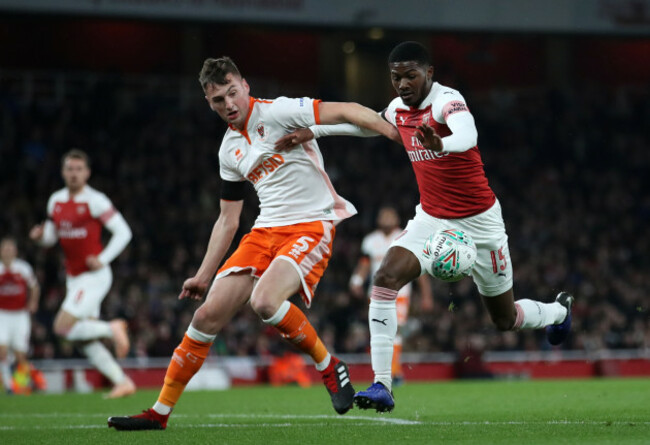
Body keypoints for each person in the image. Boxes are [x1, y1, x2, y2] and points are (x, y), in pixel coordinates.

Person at [275, 41, 574, 413]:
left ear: (429, 73)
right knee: (384, 276)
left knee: (504, 318)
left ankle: (558, 312)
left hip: (481, 224)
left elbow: (468, 134)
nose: (402, 83)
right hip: (432, 218)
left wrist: (443, 143)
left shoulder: (448, 101)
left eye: (410, 75)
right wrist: (315, 133)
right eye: (395, 76)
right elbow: (370, 126)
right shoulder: (399, 109)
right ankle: (383, 383)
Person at [107, 56, 398, 431]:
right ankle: (159, 413)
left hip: (310, 225)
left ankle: (328, 365)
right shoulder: (228, 151)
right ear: (208, 103)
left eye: (232, 93)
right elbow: (228, 219)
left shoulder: (279, 111)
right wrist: (202, 275)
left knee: (264, 301)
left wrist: (395, 134)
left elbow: (348, 110)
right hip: (264, 232)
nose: (228, 105)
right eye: (217, 100)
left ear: (245, 85)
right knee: (205, 316)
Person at [29, 149, 135, 398]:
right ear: (63, 172)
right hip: (74, 277)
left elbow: (124, 232)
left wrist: (103, 258)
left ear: (87, 173)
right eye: (70, 169)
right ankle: (122, 382)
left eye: (79, 169)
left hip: (94, 276)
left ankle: (113, 328)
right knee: (83, 339)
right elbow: (53, 237)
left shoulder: (95, 200)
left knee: (61, 328)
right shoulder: (55, 201)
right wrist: (40, 238)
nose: (74, 174)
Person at [349, 206, 433, 385]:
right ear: (378, 219)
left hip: (400, 292)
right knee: (379, 332)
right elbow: (364, 264)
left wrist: (426, 296)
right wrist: (356, 280)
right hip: (376, 292)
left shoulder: (406, 236)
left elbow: (420, 268)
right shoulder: (370, 240)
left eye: (390, 215)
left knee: (395, 331)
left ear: (396, 218)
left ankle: (394, 372)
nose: (386, 218)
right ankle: (384, 373)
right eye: (383, 215)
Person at [0, 237, 40, 393]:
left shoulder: (23, 268)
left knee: (20, 354)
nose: (8, 251)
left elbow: (34, 286)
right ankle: (9, 385)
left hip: (20, 315)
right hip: (2, 314)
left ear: (15, 251)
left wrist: (33, 302)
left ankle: (22, 384)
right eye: (5, 248)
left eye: (10, 248)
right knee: (2, 350)